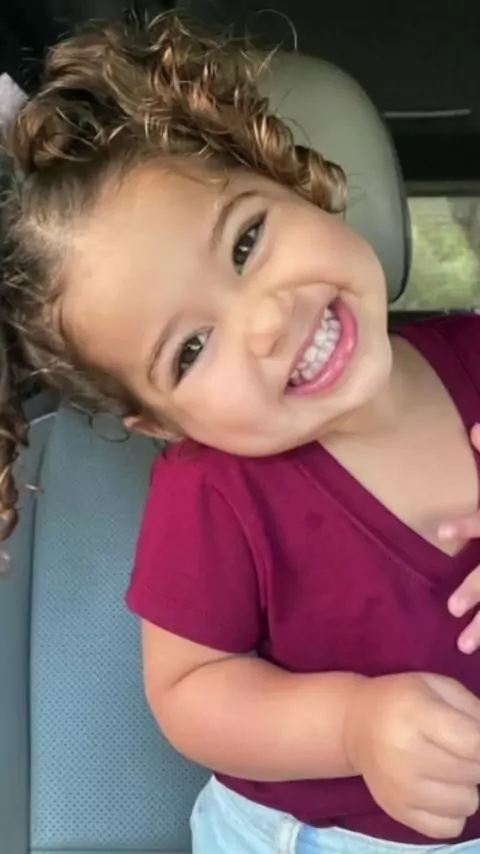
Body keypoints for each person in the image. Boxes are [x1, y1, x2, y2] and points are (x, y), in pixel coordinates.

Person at [2, 12, 480, 854]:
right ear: (160, 422)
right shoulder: (214, 493)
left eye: (248, 240)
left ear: (296, 186)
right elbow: (191, 689)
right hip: (326, 835)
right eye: (190, 350)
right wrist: (353, 726)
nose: (265, 323)